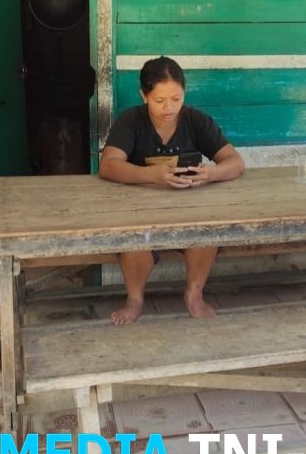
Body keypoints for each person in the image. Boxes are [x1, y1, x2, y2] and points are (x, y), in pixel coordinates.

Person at [99, 56, 245, 324]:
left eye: (176, 99)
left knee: (207, 231)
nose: (169, 107)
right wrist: (151, 174)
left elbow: (235, 162)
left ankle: (194, 294)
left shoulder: (195, 120)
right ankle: (134, 300)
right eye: (159, 100)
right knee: (133, 240)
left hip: (188, 210)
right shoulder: (131, 121)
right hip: (140, 213)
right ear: (144, 95)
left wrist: (211, 173)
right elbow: (108, 165)